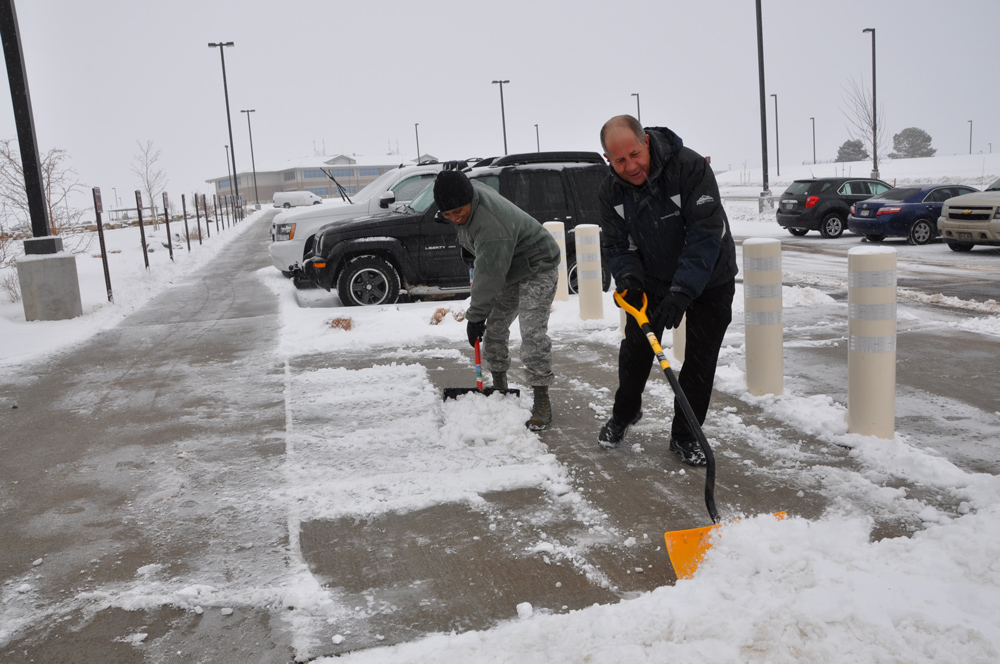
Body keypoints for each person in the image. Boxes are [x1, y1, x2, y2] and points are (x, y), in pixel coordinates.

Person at [597, 115, 737, 466]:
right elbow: (617, 246)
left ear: (645, 141)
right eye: (619, 160)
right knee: (636, 351)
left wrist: (683, 289)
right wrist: (627, 278)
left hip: (709, 277)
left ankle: (685, 436)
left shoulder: (688, 167)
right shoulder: (610, 192)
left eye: (634, 154)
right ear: (608, 160)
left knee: (700, 361)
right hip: (654, 281)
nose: (630, 166)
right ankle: (625, 413)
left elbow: (705, 232)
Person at [433, 167, 561, 430]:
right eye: (448, 214)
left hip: (538, 266)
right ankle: (499, 386)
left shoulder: (491, 225)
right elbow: (485, 257)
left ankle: (541, 399)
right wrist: (469, 247)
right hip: (510, 265)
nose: (455, 218)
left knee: (532, 333)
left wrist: (475, 316)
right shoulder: (470, 194)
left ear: (470, 199)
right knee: (495, 330)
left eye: (459, 212)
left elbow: (488, 277)